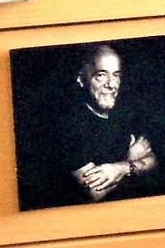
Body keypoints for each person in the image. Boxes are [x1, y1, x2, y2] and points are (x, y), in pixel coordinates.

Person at [62, 44, 156, 202]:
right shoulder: (70, 127)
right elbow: (95, 192)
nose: (111, 84)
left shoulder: (123, 116)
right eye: (101, 75)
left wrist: (121, 168)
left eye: (116, 75)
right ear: (81, 79)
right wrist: (131, 162)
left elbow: (154, 161)